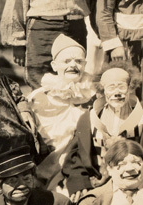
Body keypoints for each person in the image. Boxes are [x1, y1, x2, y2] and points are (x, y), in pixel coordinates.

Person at [62, 63, 143, 196]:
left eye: (121, 86)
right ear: (103, 91)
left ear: (130, 88)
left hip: (136, 182)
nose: (117, 92)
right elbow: (75, 156)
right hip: (96, 183)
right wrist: (80, 183)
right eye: (111, 87)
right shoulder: (88, 119)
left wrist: (141, 183)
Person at [25, 35, 96, 186]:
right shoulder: (40, 97)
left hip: (81, 161)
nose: (73, 65)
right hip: (47, 160)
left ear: (85, 64)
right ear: (54, 65)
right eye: (67, 61)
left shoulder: (93, 94)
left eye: (79, 61)